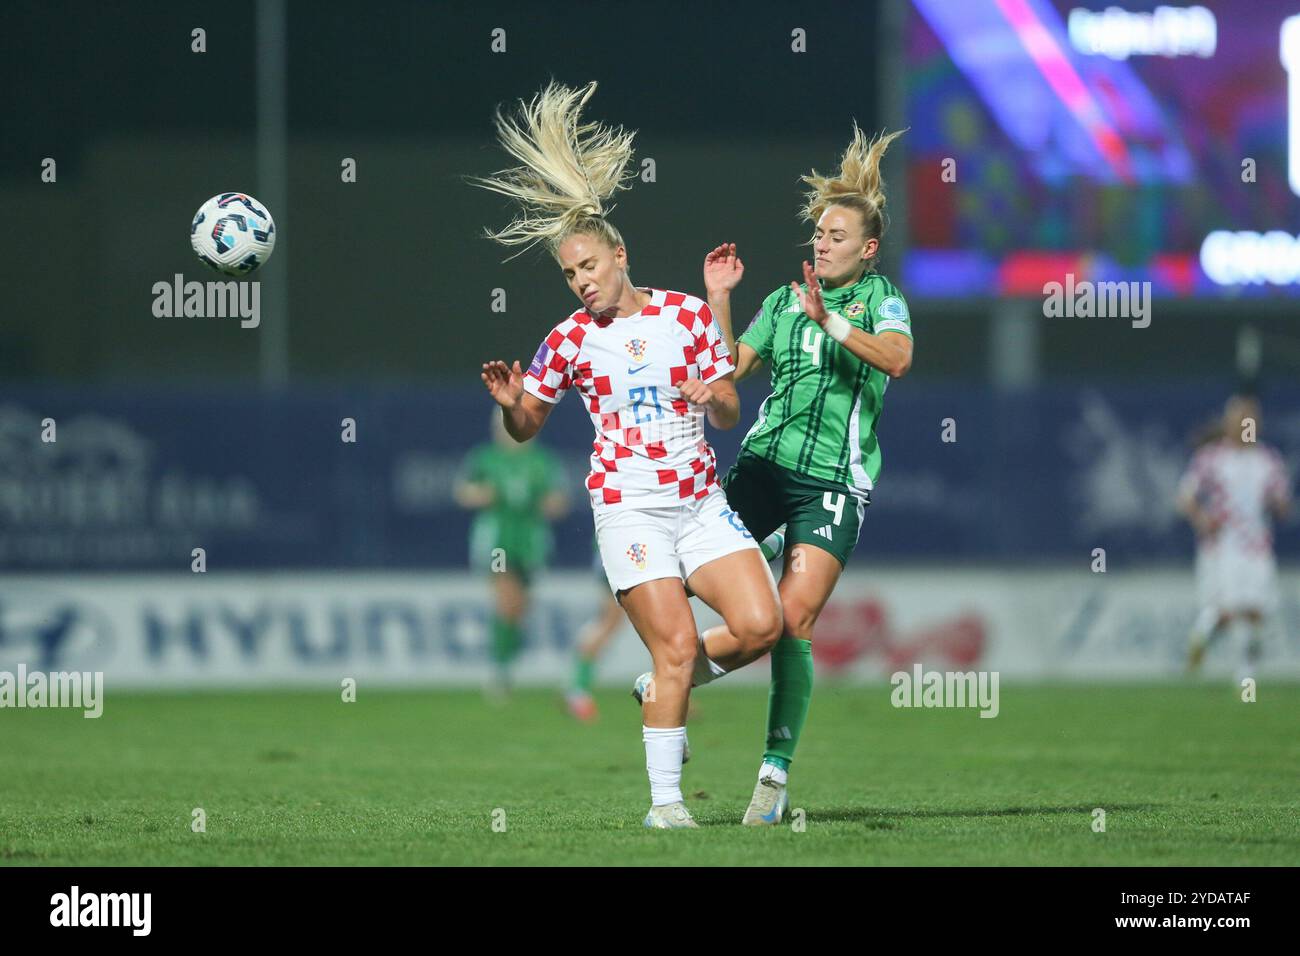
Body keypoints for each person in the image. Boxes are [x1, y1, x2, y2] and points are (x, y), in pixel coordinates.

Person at [471, 81, 783, 829]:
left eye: (588, 266)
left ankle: (661, 688)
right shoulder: (568, 339)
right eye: (570, 274)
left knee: (763, 626)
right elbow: (528, 430)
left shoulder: (686, 315)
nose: (580, 281)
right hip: (629, 506)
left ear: (620, 254)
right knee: (675, 644)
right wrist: (514, 405)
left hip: (700, 503)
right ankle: (666, 808)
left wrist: (715, 397)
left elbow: (733, 408)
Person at [701, 124, 913, 824]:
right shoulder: (784, 300)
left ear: (868, 248)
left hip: (832, 482)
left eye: (835, 235)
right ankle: (687, 671)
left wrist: (834, 325)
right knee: (676, 580)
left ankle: (772, 772)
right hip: (762, 467)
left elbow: (897, 359)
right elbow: (728, 371)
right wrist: (721, 295)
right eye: (818, 233)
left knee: (793, 619)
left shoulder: (881, 300)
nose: (820, 243)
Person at [1177, 395, 1292, 683]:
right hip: (1223, 547)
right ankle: (1206, 633)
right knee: (1231, 609)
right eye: (1240, 419)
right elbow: (1185, 496)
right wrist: (1202, 518)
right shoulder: (1211, 458)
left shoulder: (1268, 461)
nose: (1246, 425)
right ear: (1229, 423)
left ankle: (1244, 675)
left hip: (1258, 547)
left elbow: (1282, 503)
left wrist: (1279, 505)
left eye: (1251, 420)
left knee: (1256, 610)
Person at [454, 412, 568, 698]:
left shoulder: (542, 460)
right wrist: (483, 494)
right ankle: (499, 670)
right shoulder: (485, 458)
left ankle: (506, 660)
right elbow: (463, 492)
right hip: (497, 539)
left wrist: (548, 503)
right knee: (506, 600)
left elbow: (559, 499)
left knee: (519, 608)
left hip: (530, 539)